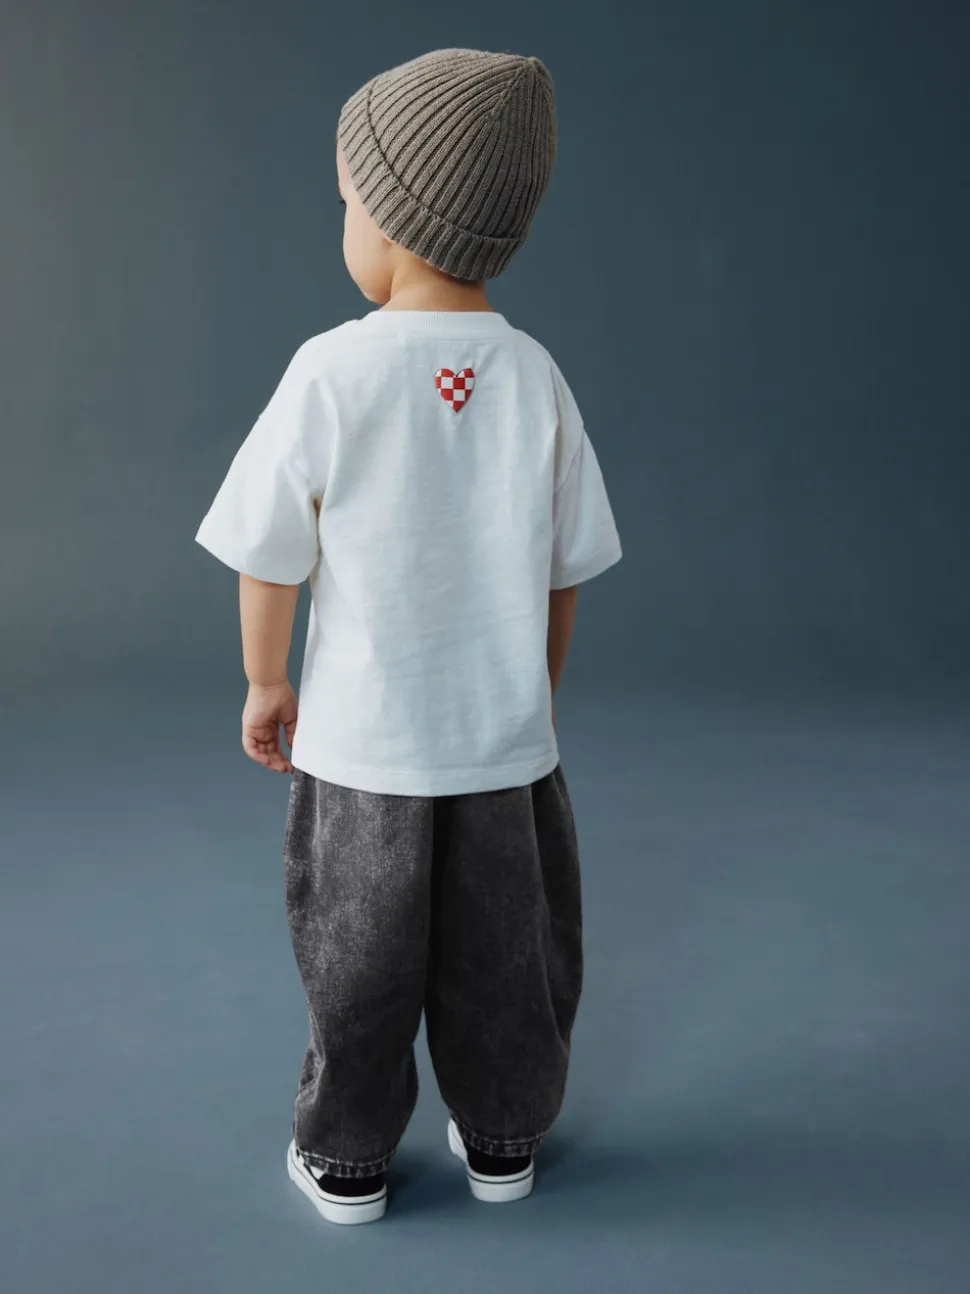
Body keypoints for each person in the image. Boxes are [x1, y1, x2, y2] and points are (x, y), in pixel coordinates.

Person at [194, 47, 622, 1226]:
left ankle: (348, 1160)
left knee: (358, 958)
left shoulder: (330, 370)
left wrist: (265, 681)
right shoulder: (534, 377)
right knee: (507, 958)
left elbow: (269, 551)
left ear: (389, 220)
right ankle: (502, 1139)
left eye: (345, 201)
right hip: (504, 752)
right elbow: (562, 570)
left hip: (361, 751)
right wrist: (535, 691)